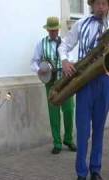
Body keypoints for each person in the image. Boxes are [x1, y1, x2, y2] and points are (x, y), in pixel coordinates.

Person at [58, 0, 109, 179]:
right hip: (84, 83)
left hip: (104, 81)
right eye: (98, 3)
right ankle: (81, 173)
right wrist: (65, 61)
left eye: (104, 4)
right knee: (83, 132)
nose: (101, 7)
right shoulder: (80, 24)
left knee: (99, 129)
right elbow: (63, 45)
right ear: (91, 5)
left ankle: (95, 170)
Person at [31, 17, 77, 154]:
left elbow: (72, 59)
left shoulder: (65, 43)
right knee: (54, 113)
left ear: (58, 29)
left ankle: (68, 139)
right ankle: (57, 142)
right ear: (47, 30)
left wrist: (69, 64)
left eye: (55, 30)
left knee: (69, 111)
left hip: (65, 81)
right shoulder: (41, 44)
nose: (53, 32)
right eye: (51, 30)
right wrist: (39, 69)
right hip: (50, 83)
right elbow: (34, 61)